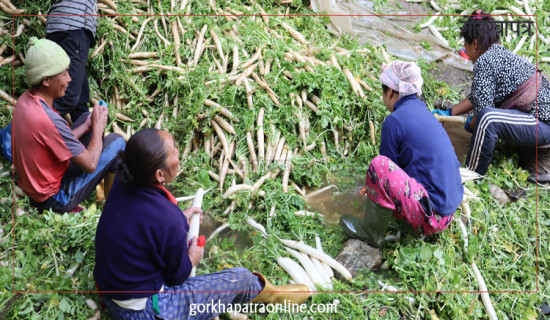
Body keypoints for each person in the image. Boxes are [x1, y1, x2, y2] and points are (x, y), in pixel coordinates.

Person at [94, 128, 310, 319]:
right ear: (160, 174)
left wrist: (178, 220)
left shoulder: (124, 181)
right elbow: (176, 276)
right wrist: (192, 257)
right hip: (142, 312)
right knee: (239, 278)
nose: (178, 153)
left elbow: (144, 224)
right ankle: (271, 296)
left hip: (108, 292)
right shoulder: (167, 218)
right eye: (174, 152)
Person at [340, 61, 463, 247]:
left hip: (430, 218)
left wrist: (370, 187)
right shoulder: (426, 113)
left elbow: (387, 169)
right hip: (448, 214)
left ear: (390, 92)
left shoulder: (393, 121)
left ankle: (372, 233)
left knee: (378, 166)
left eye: (383, 93)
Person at [11, 38, 125, 213]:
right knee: (117, 143)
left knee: (87, 117)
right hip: (53, 199)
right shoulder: (48, 120)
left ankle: (98, 190)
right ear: (46, 80)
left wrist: (89, 125)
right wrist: (98, 127)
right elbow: (90, 165)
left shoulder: (24, 101)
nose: (70, 79)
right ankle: (113, 206)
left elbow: (56, 138)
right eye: (64, 74)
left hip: (35, 184)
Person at [433, 10, 550, 176]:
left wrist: (470, 123)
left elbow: (482, 114)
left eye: (465, 45)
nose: (465, 50)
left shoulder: (484, 61)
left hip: (543, 123)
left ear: (474, 43)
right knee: (486, 116)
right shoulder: (498, 54)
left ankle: (471, 174)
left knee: (488, 119)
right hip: (539, 120)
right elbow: (478, 96)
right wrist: (450, 113)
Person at [46, 0, 97, 122]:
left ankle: (87, 140)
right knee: (67, 97)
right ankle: (15, 134)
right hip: (74, 27)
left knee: (80, 102)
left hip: (60, 26)